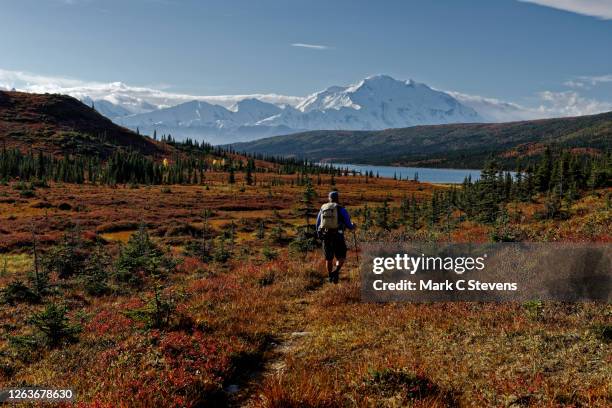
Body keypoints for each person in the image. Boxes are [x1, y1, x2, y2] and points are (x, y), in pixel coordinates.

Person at [316, 191, 356, 283]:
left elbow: (318, 223)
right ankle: (336, 271)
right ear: (338, 198)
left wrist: (319, 235)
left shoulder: (323, 208)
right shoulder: (342, 209)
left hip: (326, 237)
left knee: (329, 259)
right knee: (340, 257)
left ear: (329, 198)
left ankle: (330, 276)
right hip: (338, 237)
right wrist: (353, 226)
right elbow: (349, 225)